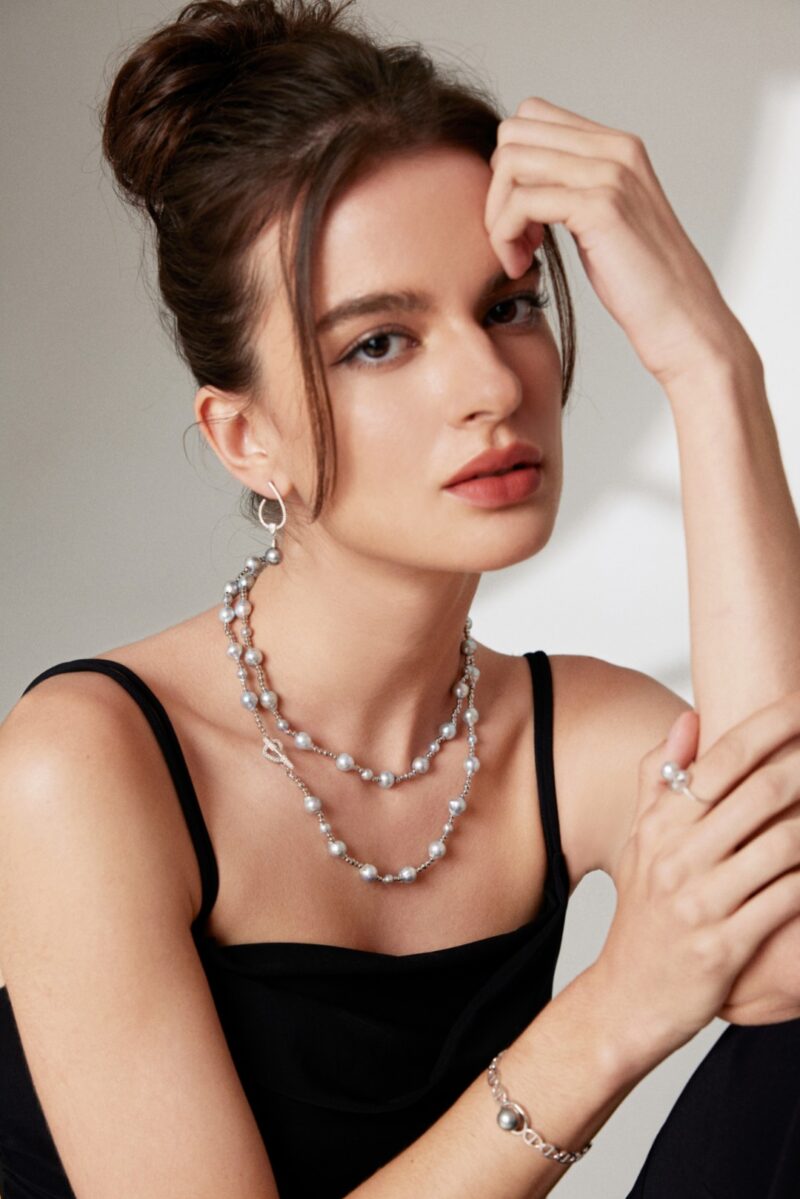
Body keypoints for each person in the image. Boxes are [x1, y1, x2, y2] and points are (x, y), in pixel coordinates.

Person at [0, 1, 798, 1196]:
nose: (488, 384)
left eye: (505, 305)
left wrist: (706, 362)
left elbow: (786, 957)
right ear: (246, 436)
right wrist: (619, 1004)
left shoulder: (563, 734)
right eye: (379, 342)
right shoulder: (86, 762)